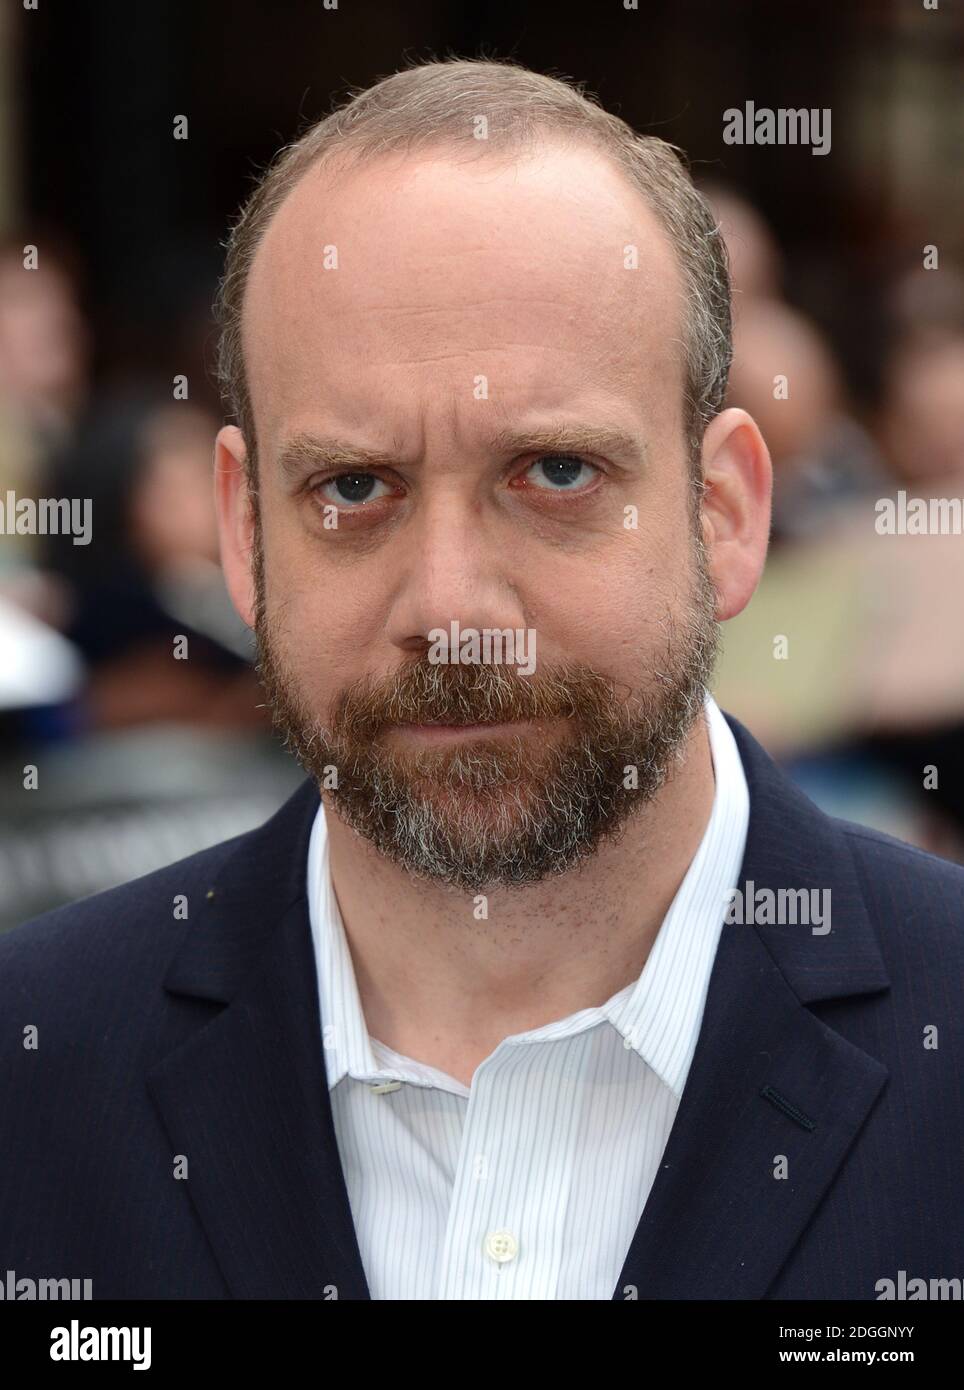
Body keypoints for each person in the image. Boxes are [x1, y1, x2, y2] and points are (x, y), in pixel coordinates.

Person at [1, 57, 961, 1302]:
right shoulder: (36, 1071)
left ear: (724, 514)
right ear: (242, 537)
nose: (451, 610)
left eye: (553, 472)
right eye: (352, 488)